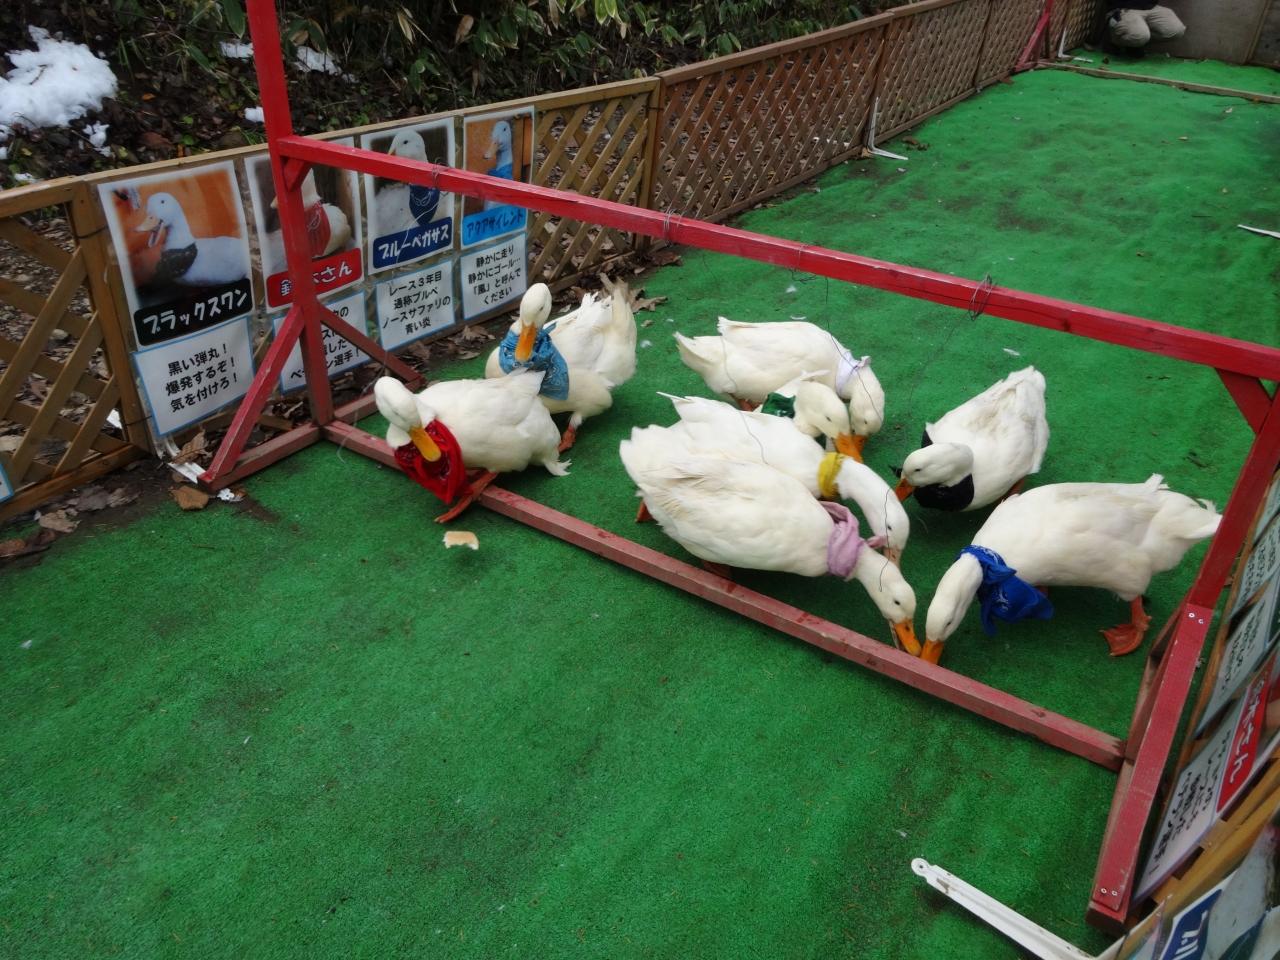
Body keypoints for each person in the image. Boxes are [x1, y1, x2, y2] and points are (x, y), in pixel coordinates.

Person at [1105, 2, 1186, 53]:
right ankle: (1113, 40)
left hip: (1150, 7)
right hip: (1124, 8)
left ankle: (1135, 42)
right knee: (1139, 36)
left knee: (1177, 30)